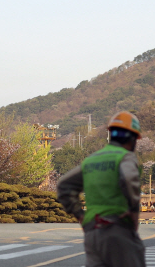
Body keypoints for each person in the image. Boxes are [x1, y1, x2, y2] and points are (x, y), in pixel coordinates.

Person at [57, 111, 145, 267]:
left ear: (111, 134)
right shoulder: (125, 157)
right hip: (118, 229)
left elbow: (63, 185)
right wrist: (133, 211)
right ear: (133, 139)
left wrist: (79, 214)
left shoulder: (91, 160)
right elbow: (129, 180)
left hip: (92, 233)